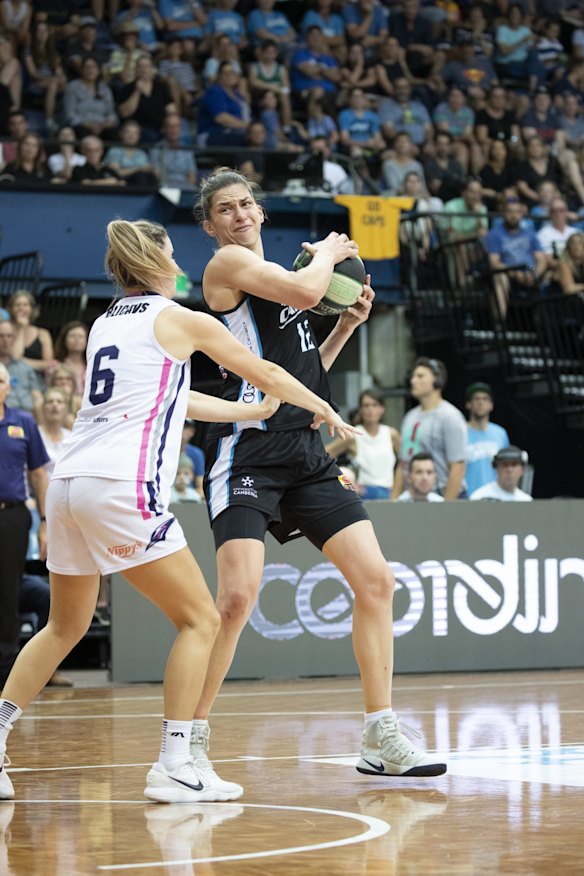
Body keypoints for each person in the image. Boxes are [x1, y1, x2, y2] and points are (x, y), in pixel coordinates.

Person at [0, 217, 360, 804]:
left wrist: (248, 414)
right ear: (161, 262)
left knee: (63, 626)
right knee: (201, 620)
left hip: (68, 484)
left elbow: (171, 396)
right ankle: (174, 762)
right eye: (174, 253)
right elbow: (266, 370)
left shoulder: (103, 325)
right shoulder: (183, 319)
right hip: (121, 484)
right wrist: (321, 405)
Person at [189, 166, 446, 792]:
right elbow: (306, 291)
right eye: (225, 208)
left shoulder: (287, 278)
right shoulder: (227, 268)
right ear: (210, 225)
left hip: (304, 449)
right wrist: (332, 250)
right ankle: (187, 742)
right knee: (235, 599)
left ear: (261, 212)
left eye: (247, 203)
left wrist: (345, 327)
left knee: (377, 581)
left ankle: (380, 734)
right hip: (246, 450)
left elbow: (307, 371)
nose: (240, 215)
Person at [0, 361, 49, 690]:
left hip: (12, 516)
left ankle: (5, 675)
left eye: (0, 380)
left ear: (7, 386)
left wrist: (45, 522)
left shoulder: (23, 422)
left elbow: (38, 473)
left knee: (8, 592)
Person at [392, 357, 467, 501]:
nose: (413, 381)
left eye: (420, 376)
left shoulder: (450, 416)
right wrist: (393, 500)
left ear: (437, 380)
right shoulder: (409, 417)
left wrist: (446, 506)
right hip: (413, 497)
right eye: (413, 376)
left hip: (442, 494)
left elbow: (458, 466)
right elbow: (403, 463)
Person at [325, 388, 400, 500]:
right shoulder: (353, 435)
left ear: (382, 408)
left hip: (388, 493)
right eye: (366, 405)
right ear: (360, 409)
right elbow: (324, 455)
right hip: (362, 494)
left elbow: (403, 464)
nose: (370, 409)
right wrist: (347, 485)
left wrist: (395, 494)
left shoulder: (391, 434)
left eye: (375, 405)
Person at [465, 382, 510, 497]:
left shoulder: (500, 433)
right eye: (476, 399)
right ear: (468, 404)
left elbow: (507, 466)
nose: (481, 402)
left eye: (485, 399)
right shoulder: (460, 433)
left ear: (491, 405)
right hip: (468, 497)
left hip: (497, 498)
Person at [7, 289, 54, 379]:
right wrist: (21, 329)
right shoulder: (4, 331)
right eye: (17, 305)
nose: (21, 308)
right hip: (10, 377)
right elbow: (15, 356)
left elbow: (48, 364)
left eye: (25, 305)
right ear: (11, 309)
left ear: (32, 309)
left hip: (37, 379)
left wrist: (21, 361)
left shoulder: (43, 334)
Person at [0, 319, 42, 416]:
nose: (5, 340)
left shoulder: (25, 368)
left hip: (27, 417)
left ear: (14, 339)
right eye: (1, 336)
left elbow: (37, 396)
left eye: (9, 336)